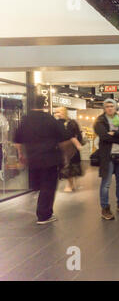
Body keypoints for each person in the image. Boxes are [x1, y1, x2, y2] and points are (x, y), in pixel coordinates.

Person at [14, 95, 66, 224]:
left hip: (33, 158)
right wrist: (65, 156)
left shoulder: (25, 119)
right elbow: (63, 138)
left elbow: (17, 140)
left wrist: (21, 154)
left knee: (39, 185)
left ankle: (42, 208)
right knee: (48, 186)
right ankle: (44, 215)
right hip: (50, 158)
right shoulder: (50, 119)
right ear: (44, 104)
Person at [94, 99, 119, 220]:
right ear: (104, 108)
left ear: (115, 107)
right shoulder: (100, 121)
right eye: (107, 106)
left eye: (112, 106)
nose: (110, 108)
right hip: (108, 156)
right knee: (106, 184)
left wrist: (114, 134)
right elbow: (104, 136)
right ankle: (105, 208)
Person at [54, 107, 83, 192]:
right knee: (67, 166)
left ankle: (70, 184)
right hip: (62, 148)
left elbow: (77, 134)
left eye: (59, 112)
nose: (57, 114)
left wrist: (77, 143)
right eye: (56, 112)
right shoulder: (56, 123)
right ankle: (70, 184)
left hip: (71, 148)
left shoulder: (71, 123)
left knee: (71, 166)